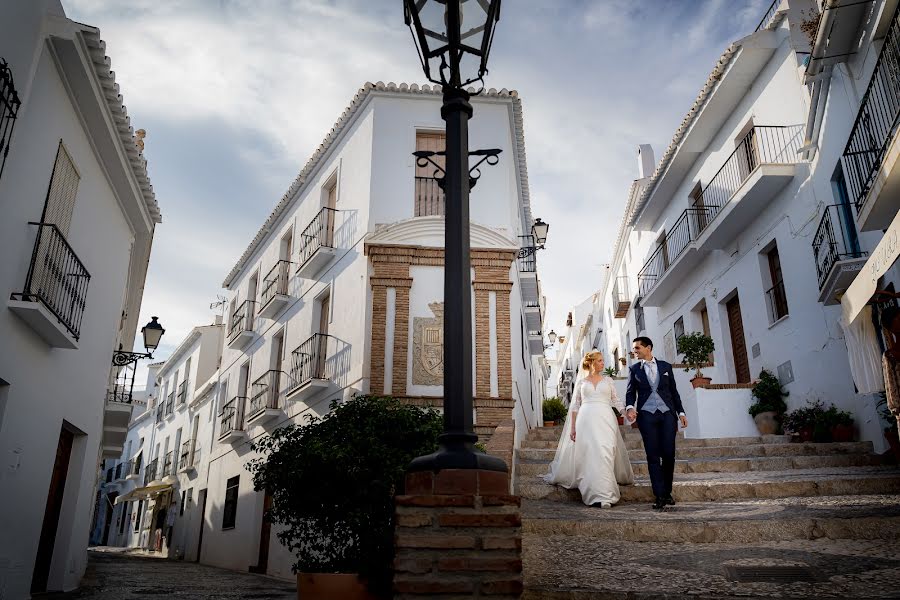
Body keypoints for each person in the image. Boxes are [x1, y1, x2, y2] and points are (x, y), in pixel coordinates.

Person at [542, 350, 634, 507]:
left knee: (605, 451)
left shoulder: (608, 380)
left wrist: (626, 413)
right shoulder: (582, 383)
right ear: (591, 363)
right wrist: (573, 428)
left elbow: (616, 401)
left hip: (606, 419)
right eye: (599, 360)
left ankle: (606, 493)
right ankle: (597, 495)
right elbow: (576, 406)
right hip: (586, 420)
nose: (603, 363)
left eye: (603, 360)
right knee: (590, 454)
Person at [625, 336, 688, 511]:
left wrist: (681, 412)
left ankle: (667, 492)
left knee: (668, 455)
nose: (634, 351)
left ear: (648, 348)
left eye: (637, 348)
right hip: (646, 415)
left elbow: (674, 392)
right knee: (653, 456)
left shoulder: (665, 367)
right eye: (634, 348)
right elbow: (630, 393)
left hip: (667, 414)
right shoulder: (634, 369)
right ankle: (659, 495)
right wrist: (630, 407)